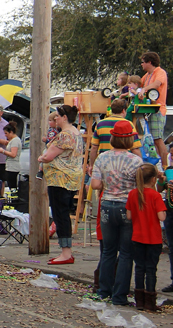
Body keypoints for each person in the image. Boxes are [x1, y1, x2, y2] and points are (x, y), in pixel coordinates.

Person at [90, 120, 141, 303]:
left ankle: (104, 290)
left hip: (107, 204)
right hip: (127, 207)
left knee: (108, 251)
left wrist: (108, 183)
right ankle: (120, 295)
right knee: (126, 253)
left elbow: (95, 184)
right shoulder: (136, 161)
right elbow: (139, 187)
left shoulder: (102, 158)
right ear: (130, 140)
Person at [38, 104, 83, 265]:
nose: (55, 118)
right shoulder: (76, 133)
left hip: (60, 180)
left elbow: (48, 156)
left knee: (60, 215)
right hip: (72, 178)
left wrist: (41, 158)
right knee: (64, 214)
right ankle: (66, 251)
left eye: (57, 115)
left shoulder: (65, 135)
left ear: (64, 117)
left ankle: (66, 252)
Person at [127, 163, 166, 312]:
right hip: (153, 238)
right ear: (153, 179)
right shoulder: (155, 196)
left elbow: (129, 216)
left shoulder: (133, 194)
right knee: (151, 269)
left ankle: (140, 301)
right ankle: (150, 301)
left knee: (139, 268)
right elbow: (161, 217)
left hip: (137, 236)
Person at [87, 98, 141, 174]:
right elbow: (135, 149)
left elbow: (94, 147)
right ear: (123, 110)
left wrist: (91, 165)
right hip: (124, 164)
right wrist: (141, 165)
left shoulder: (100, 124)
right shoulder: (129, 125)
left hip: (105, 164)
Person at [139, 52, 168, 170]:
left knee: (157, 139)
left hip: (157, 110)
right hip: (148, 111)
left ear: (149, 62)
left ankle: (166, 167)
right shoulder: (147, 75)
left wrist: (144, 89)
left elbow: (156, 84)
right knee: (151, 140)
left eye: (142, 62)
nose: (141, 64)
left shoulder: (160, 72)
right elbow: (138, 84)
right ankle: (155, 167)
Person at [0, 124, 22, 189]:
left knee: (12, 185)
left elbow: (13, 154)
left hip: (13, 167)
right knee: (10, 184)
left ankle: (14, 195)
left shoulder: (15, 141)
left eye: (6, 133)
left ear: (11, 132)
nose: (5, 135)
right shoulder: (12, 140)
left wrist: (3, 151)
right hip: (9, 166)